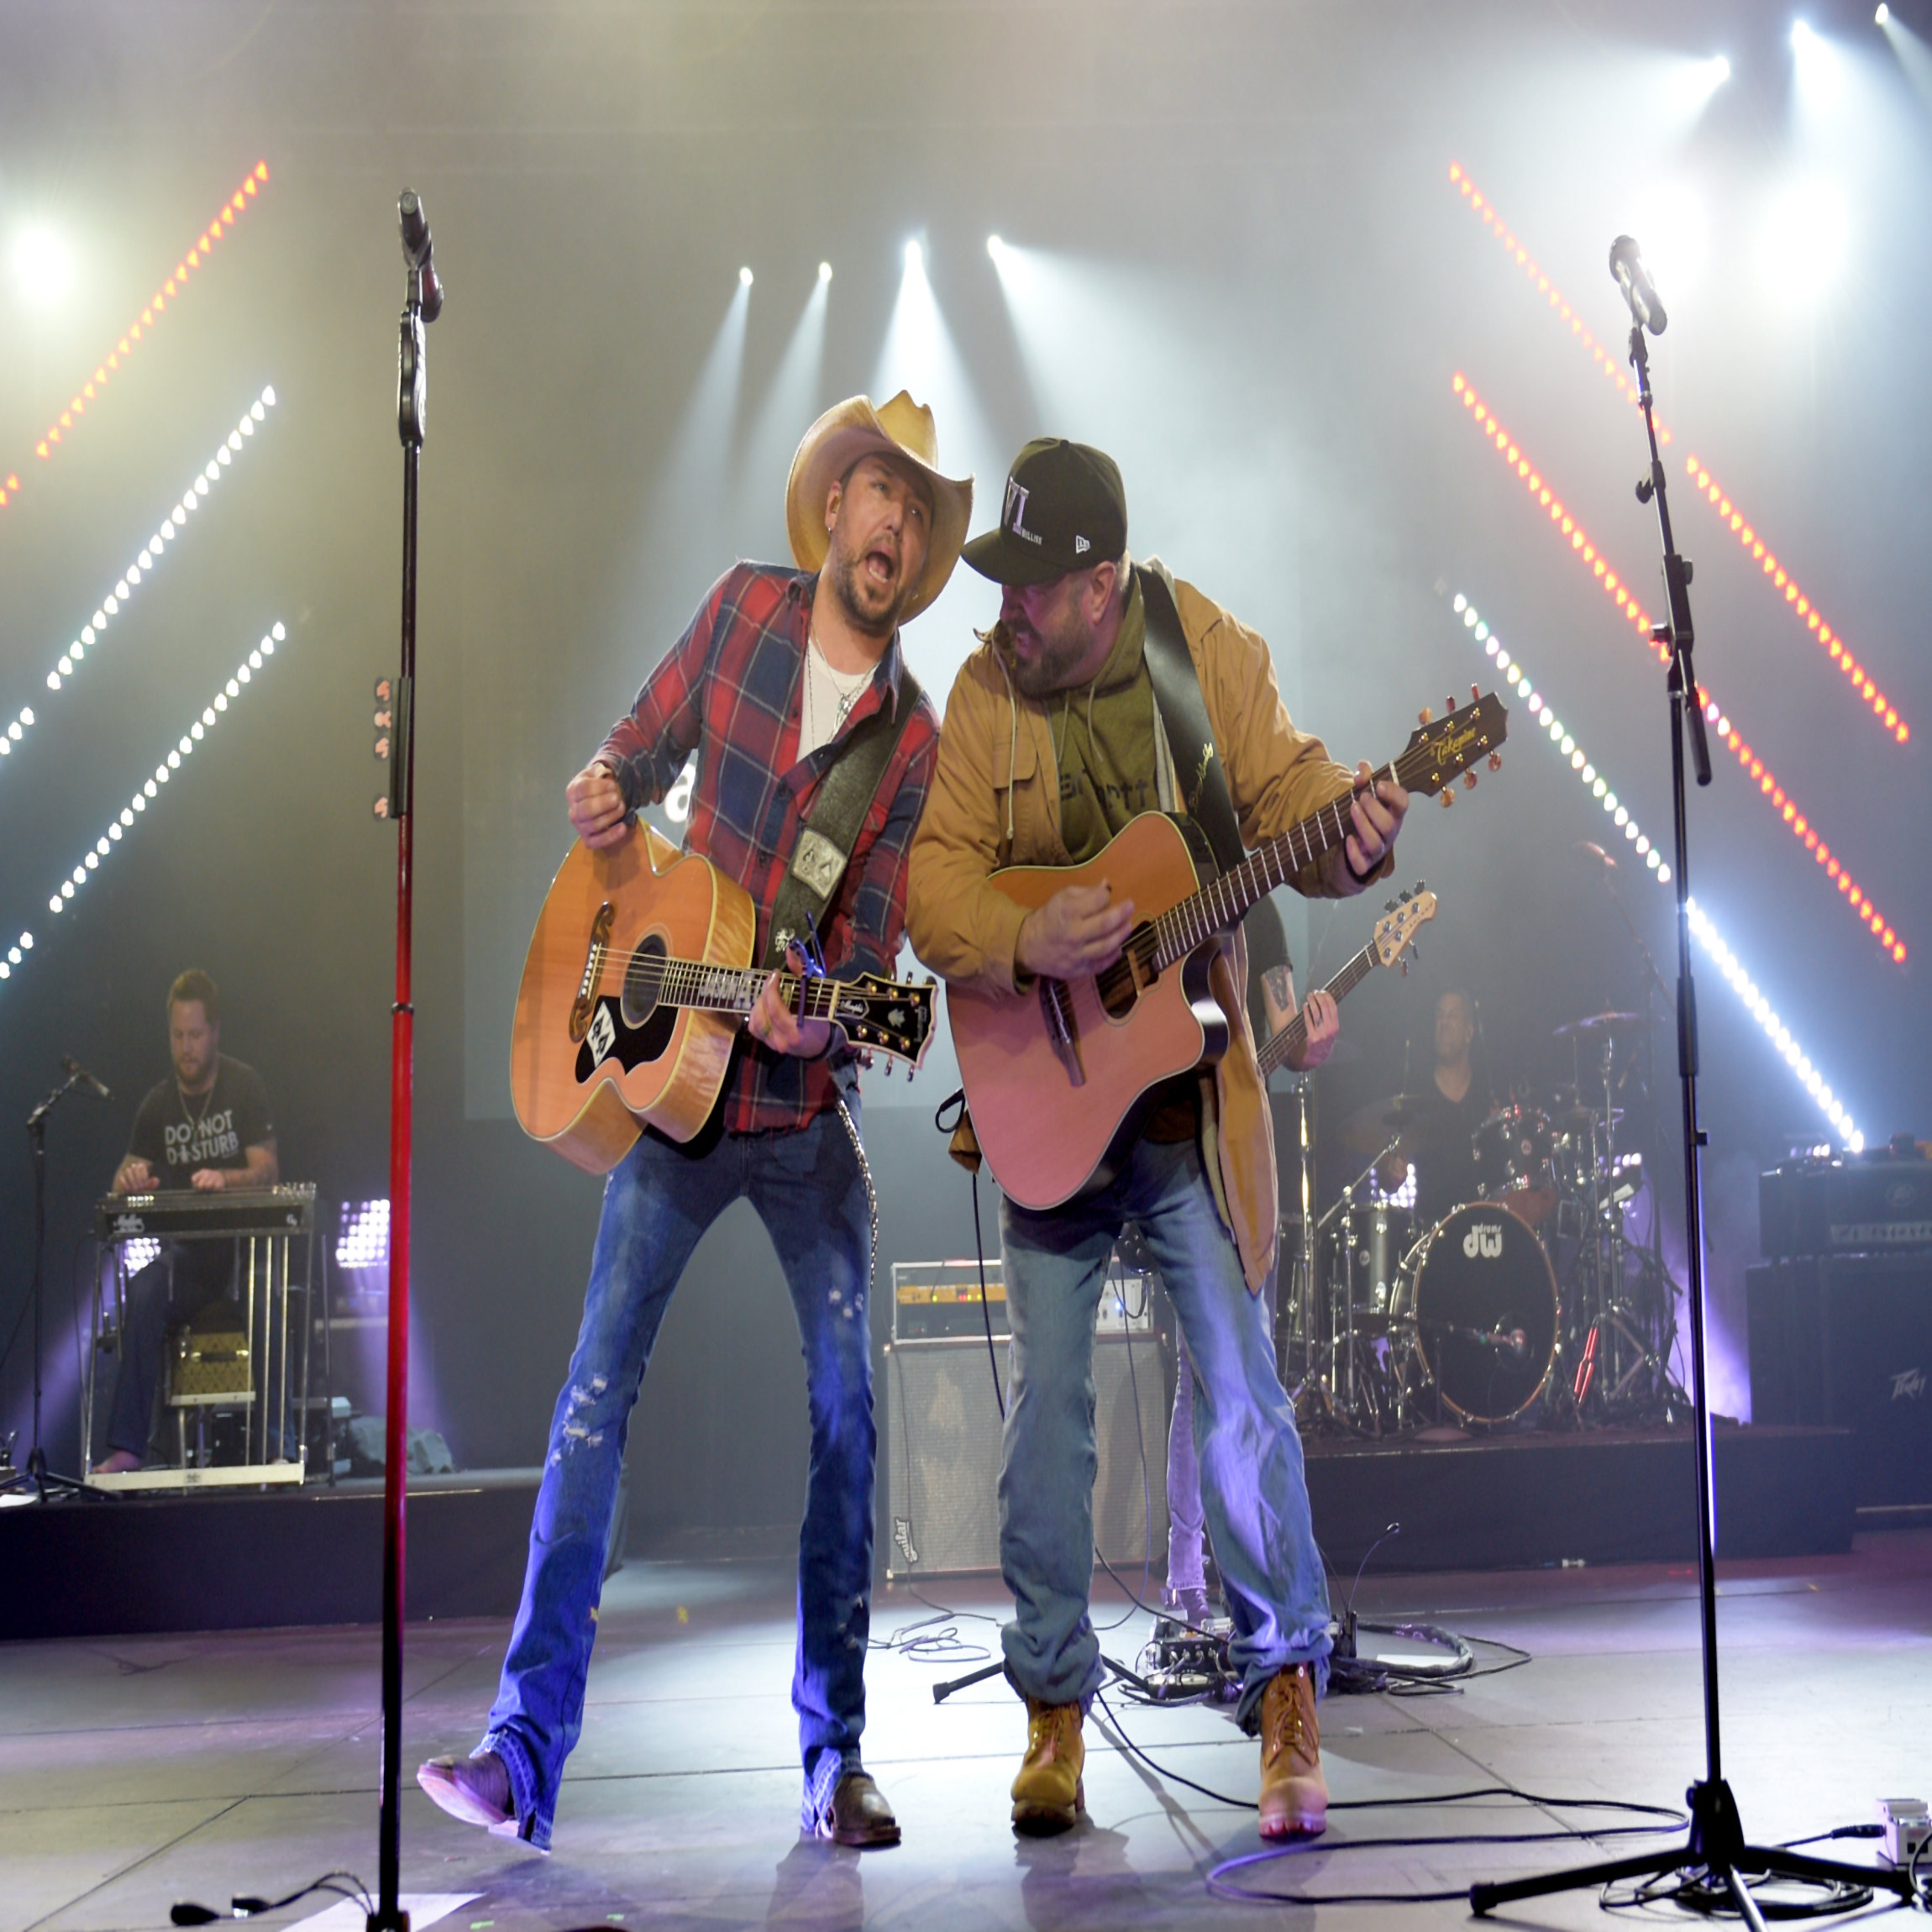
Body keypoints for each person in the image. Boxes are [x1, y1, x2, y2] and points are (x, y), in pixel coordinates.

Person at [417, 393, 969, 1853]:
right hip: (668, 1114)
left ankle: (833, 1755)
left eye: (917, 515)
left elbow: (872, 954)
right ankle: (522, 1757)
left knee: (851, 1412)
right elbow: (637, 748)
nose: (894, 530)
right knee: (592, 1398)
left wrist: (828, 1010)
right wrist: (605, 793)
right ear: (835, 508)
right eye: (878, 498)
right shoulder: (739, 613)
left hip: (798, 1116)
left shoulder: (910, 743)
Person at [906, 438, 1407, 1840]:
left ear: (1102, 582)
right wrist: (1020, 933)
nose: (1006, 608)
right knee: (1045, 1429)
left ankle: (1287, 1688)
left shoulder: (1208, 655)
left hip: (1191, 1106)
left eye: (1032, 584)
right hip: (1050, 1119)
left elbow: (1298, 797)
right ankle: (1055, 1716)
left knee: (1244, 1395)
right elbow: (932, 886)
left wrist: (1352, 836)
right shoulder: (985, 692)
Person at [1163, 904, 1338, 1626]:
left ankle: (1256, 1590)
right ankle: (1185, 1570)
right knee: (1195, 1373)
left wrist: (1312, 1040)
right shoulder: (1177, 884)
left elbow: (1286, 1034)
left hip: (1240, 1157)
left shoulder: (1261, 915)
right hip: (1175, 1144)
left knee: (1238, 1369)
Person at [97, 969, 278, 1475]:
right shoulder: (157, 1105)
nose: (186, 1047)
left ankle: (274, 1444)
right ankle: (129, 1447)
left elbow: (268, 1167)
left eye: (195, 1035)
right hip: (188, 1264)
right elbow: (119, 1181)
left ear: (215, 1031)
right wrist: (129, 1178)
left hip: (244, 1256)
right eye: (178, 1035)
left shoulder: (244, 1085)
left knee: (270, 1295)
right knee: (147, 1287)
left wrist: (227, 1178)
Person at [1382, 989, 1487, 1230]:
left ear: (1469, 1032)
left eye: (1453, 1016)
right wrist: (1393, 1171)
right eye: (1439, 1016)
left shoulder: (1486, 1094)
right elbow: (1387, 1180)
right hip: (1431, 1232)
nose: (1444, 1022)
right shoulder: (1415, 1097)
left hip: (1485, 1230)